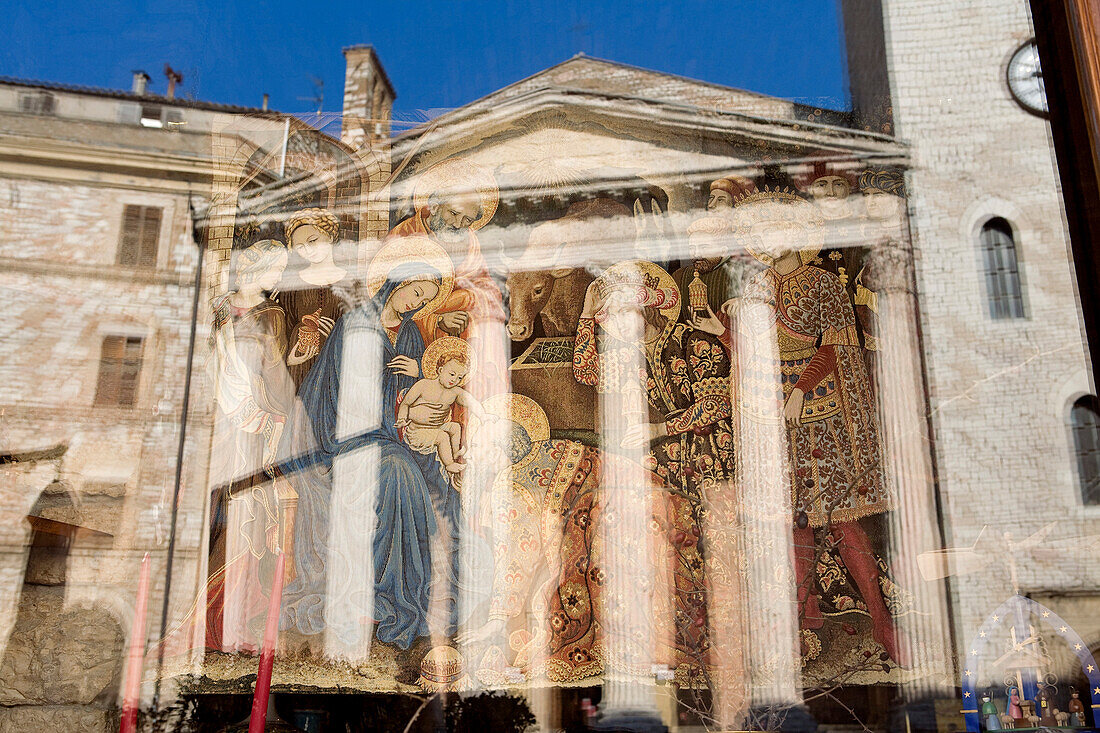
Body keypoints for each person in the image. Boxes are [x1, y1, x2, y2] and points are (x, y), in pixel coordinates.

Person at [731, 189, 902, 665]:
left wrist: (801, 389)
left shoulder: (821, 283)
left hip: (819, 414)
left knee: (842, 522)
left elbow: (836, 345)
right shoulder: (757, 285)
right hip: (773, 413)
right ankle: (803, 625)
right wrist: (720, 332)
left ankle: (883, 622)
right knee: (793, 523)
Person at [278, 235, 459, 680]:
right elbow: (344, 395)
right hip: (348, 437)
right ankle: (394, 599)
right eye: (415, 291)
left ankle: (421, 600)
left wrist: (417, 375)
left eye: (425, 298)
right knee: (400, 475)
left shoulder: (413, 334)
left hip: (397, 434)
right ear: (395, 281)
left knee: (446, 489)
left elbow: (413, 398)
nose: (417, 303)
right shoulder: (357, 322)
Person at [205, 239, 294, 653]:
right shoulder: (220, 309)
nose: (278, 276)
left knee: (247, 520)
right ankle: (205, 611)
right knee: (217, 512)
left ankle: (232, 614)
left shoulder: (272, 316)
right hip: (222, 427)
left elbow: (277, 380)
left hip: (252, 431)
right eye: (275, 268)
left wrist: (277, 408)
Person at [396, 336, 494, 476]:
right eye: (452, 374)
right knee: (442, 436)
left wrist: (483, 415)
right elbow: (405, 403)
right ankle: (450, 465)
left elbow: (471, 401)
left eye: (459, 377)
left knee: (455, 427)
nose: (454, 379)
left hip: (437, 426)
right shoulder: (423, 385)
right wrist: (401, 419)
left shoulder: (454, 392)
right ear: (441, 370)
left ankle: (454, 454)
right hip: (418, 431)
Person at [279, 207, 352, 390]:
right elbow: (282, 334)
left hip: (337, 374)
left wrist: (337, 336)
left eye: (313, 241)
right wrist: (288, 359)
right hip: (300, 372)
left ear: (329, 235)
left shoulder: (352, 284)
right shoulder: (291, 286)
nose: (308, 251)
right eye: (300, 247)